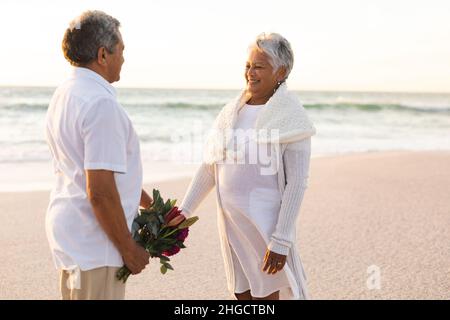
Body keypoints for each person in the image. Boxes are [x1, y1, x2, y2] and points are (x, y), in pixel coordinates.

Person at [180, 33, 316, 300]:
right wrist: (185, 210)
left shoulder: (292, 117)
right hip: (233, 227)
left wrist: (281, 240)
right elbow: (211, 165)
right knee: (242, 294)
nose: (250, 73)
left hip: (267, 230)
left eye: (259, 66)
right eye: (248, 65)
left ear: (281, 72)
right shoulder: (233, 110)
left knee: (271, 295)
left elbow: (297, 184)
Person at [45, 10, 152, 300]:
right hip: (94, 244)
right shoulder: (100, 104)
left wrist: (148, 204)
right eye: (122, 51)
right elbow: (101, 192)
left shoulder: (65, 93)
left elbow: (93, 168)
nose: (124, 59)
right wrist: (129, 249)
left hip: (72, 236)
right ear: (103, 55)